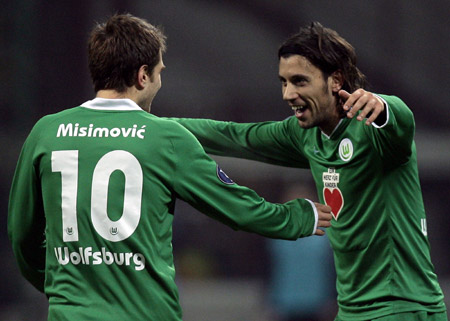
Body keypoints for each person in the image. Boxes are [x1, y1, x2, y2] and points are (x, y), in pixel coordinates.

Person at [7, 14, 333, 321]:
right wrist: (299, 217)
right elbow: (238, 208)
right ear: (142, 75)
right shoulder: (166, 138)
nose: (160, 83)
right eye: (160, 72)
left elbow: (22, 233)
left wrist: (60, 287)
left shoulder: (46, 132)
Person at [168, 22, 448, 320]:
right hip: (352, 310)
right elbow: (232, 136)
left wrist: (382, 104)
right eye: (284, 82)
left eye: (300, 81)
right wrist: (155, 127)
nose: (288, 94)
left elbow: (401, 121)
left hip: (402, 307)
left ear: (335, 80)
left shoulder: (375, 130)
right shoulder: (305, 135)